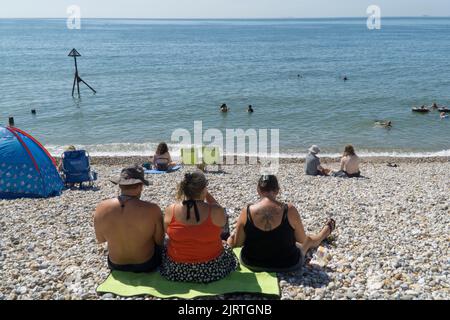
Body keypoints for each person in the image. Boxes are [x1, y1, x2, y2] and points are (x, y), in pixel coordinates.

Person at [227, 175, 336, 272]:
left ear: (258, 190)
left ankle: (323, 233)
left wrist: (230, 239)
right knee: (307, 241)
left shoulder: (246, 211)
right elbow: (302, 239)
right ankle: (324, 233)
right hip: (287, 264)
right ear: (277, 190)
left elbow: (238, 244)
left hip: (252, 263)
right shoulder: (289, 210)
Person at [160, 171, 238, 283]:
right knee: (225, 241)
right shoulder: (215, 211)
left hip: (176, 270)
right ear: (203, 190)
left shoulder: (170, 210)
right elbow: (223, 221)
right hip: (212, 269)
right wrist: (206, 194)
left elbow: (166, 233)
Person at [93, 165, 164, 273]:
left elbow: (101, 239)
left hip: (115, 264)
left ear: (120, 186)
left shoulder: (101, 208)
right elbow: (159, 241)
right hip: (146, 263)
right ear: (140, 186)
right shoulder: (153, 209)